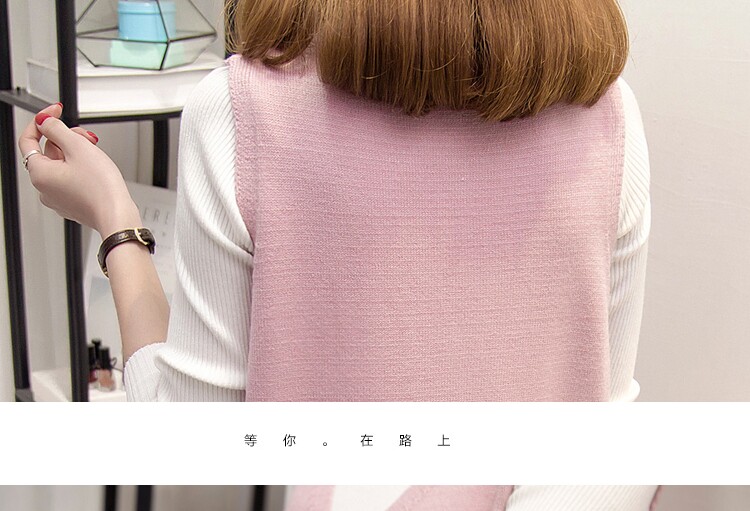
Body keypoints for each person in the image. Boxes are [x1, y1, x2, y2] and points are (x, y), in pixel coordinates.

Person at [18, 0, 650, 403]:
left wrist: (115, 222)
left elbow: (190, 443)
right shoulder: (613, 120)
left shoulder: (240, 112)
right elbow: (605, 440)